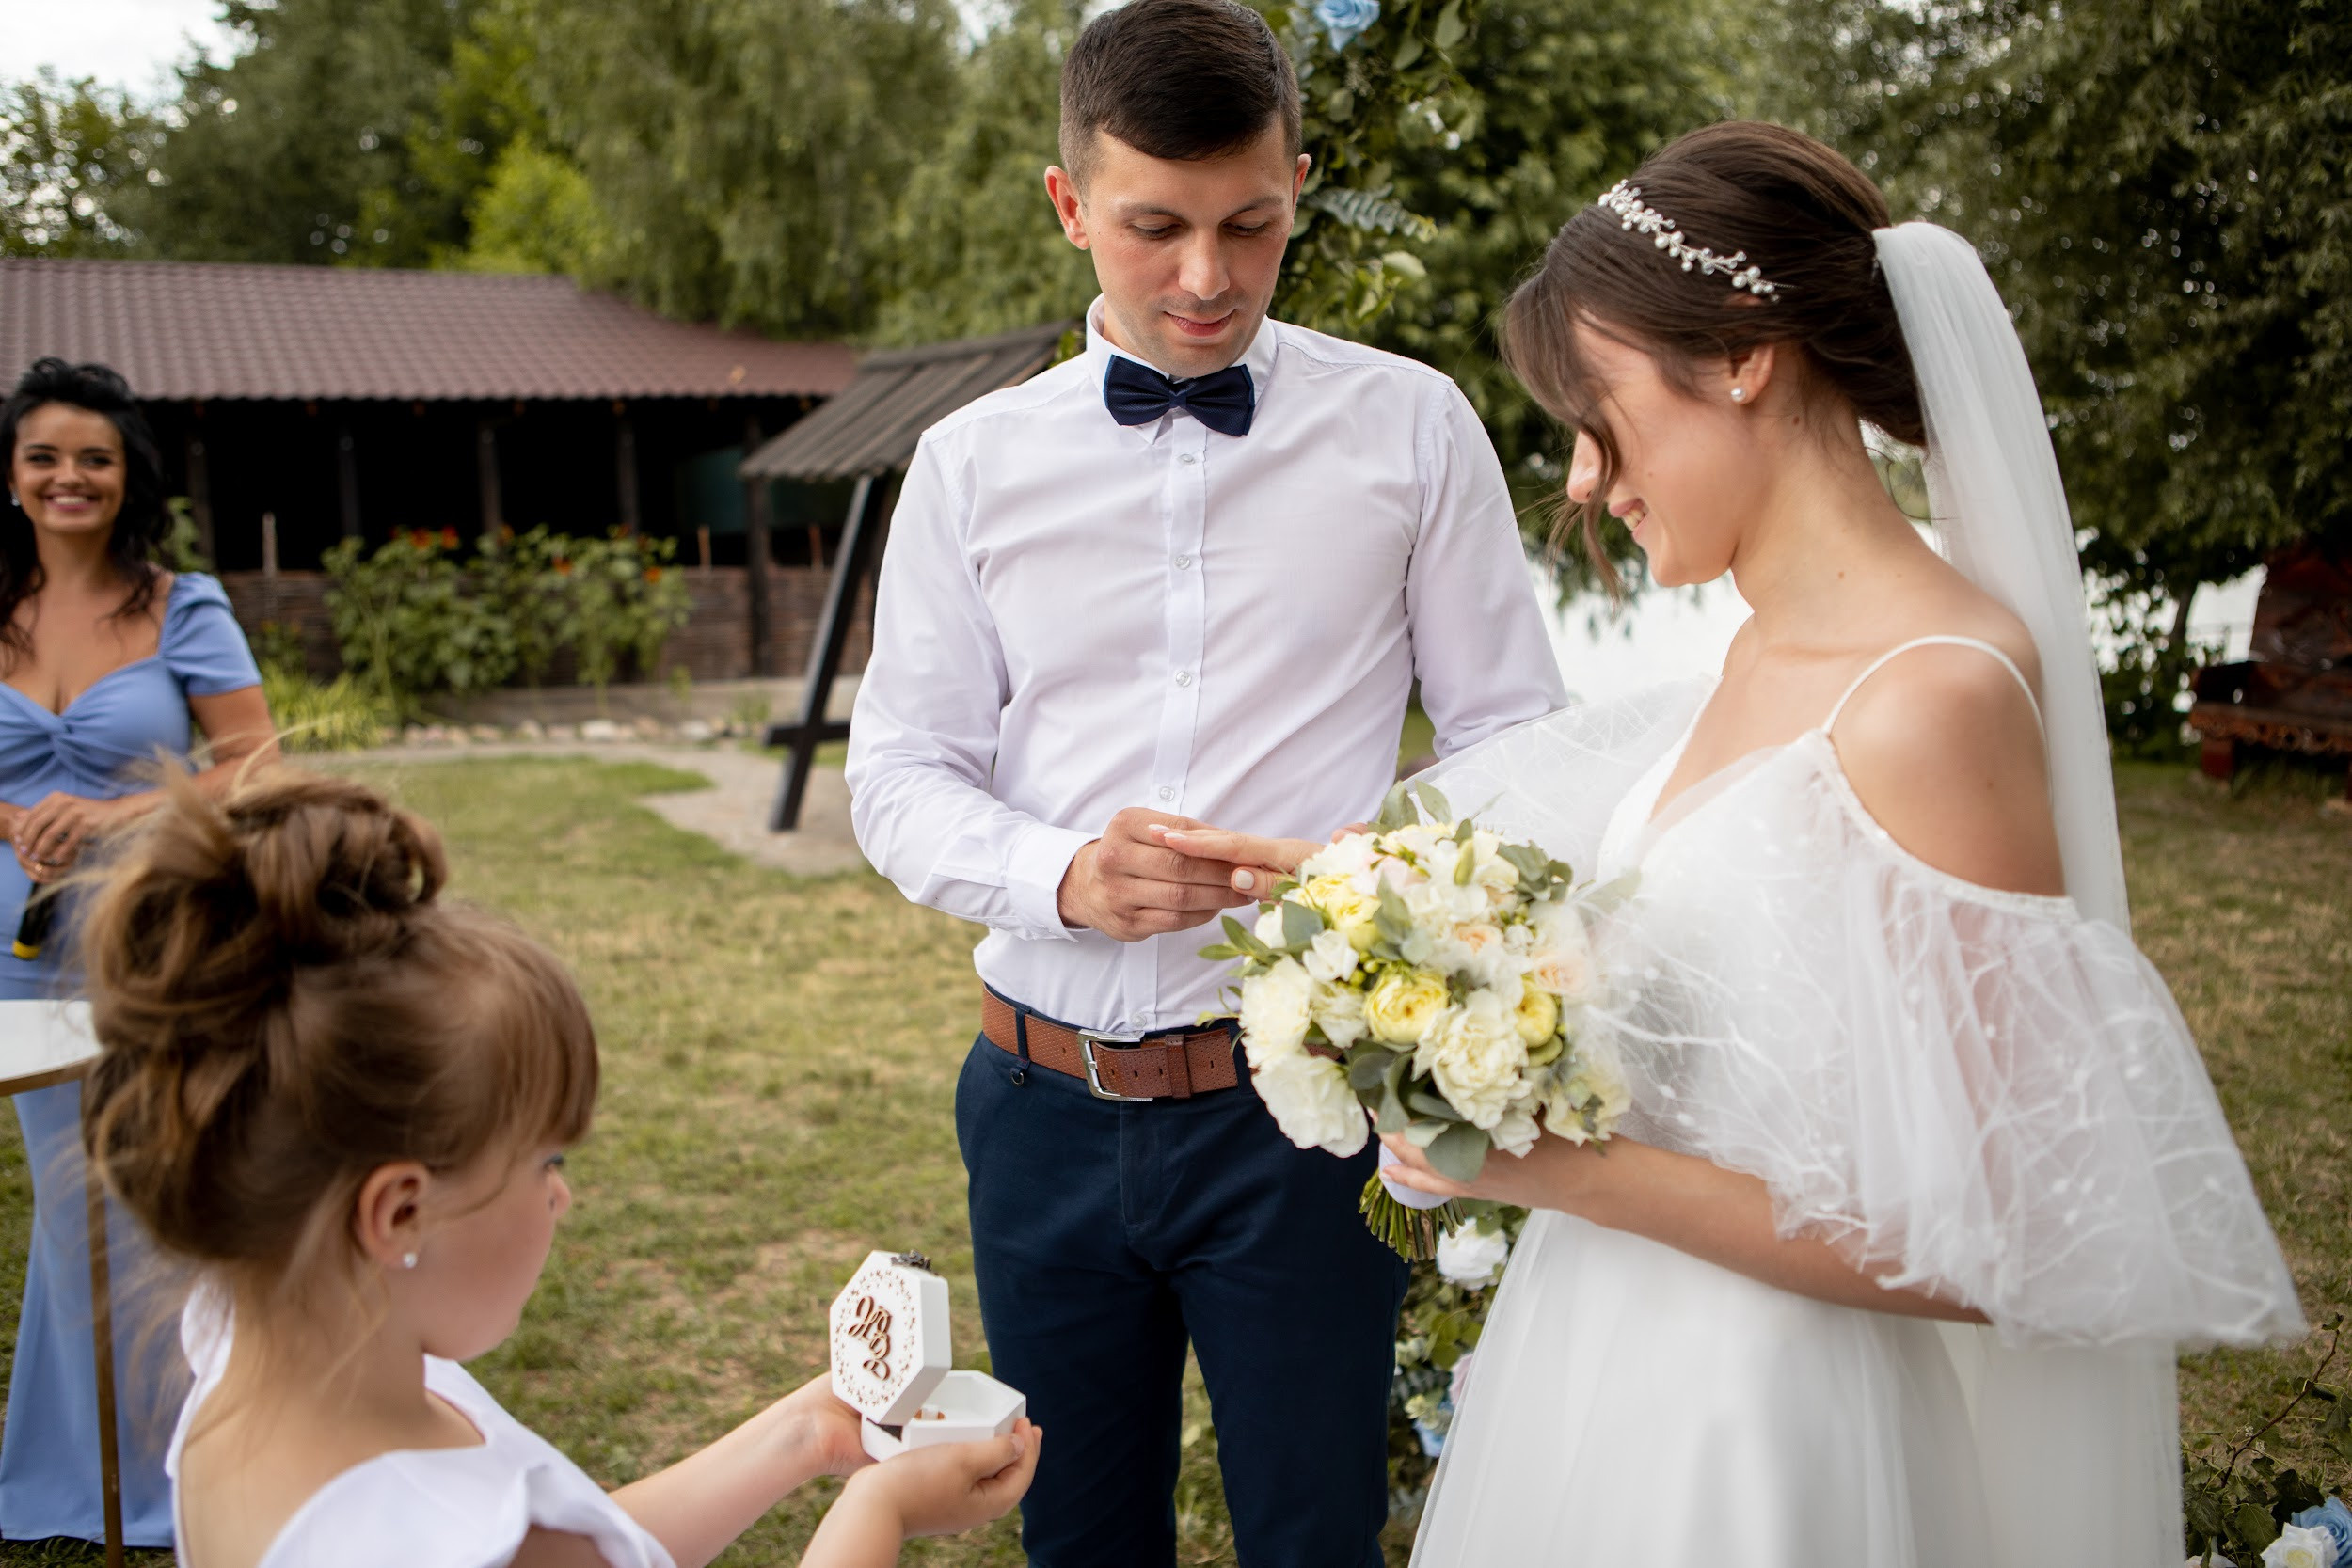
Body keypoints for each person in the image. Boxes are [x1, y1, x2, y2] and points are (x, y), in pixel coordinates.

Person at [1163, 122, 2303, 1565]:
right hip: (1597, 1367)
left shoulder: (1937, 692)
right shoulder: (1755, 650)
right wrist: (1376, 918)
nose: (1585, 478)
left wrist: (1552, 1166)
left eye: (1604, 413)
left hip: (1771, 1431)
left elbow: (1996, 1235)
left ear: (1744, 356)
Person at [843, 0, 1566, 1560]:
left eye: (1251, 224)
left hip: (1295, 1121)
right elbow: (896, 774)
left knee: (1313, 1535)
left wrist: (1354, 866)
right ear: (1067, 206)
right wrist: (1061, 874)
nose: (1206, 279)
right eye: (1153, 227)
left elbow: (1517, 734)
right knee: (1077, 1540)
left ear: (1299, 182)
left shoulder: (1414, 430)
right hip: (1038, 1104)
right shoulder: (969, 465)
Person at [73, 767, 1041, 1568]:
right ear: (400, 1210)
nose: (561, 1191)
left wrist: (809, 1434)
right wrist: (877, 1512)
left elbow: (594, 1550)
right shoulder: (459, 1539)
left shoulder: (257, 1338)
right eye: (545, 1157)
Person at [0, 356, 278, 1546]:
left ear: (128, 477)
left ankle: (192, 1473)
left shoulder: (181, 603)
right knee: (72, 1219)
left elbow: (258, 761)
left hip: (158, 942)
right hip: (16, 952)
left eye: (95, 458)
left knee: (166, 1197)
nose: (71, 476)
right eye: (46, 456)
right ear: (13, 476)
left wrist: (113, 812)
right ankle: (70, 1480)